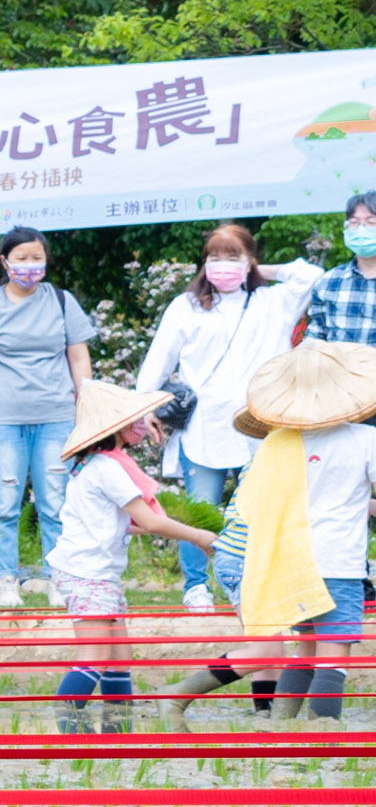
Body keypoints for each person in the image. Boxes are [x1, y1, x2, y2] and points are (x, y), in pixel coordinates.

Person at [135, 222, 321, 610]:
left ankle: (259, 581)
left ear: (250, 259)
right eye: (213, 258)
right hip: (204, 427)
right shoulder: (185, 306)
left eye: (232, 257)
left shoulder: (273, 301)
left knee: (263, 507)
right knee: (200, 508)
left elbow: (311, 275)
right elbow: (159, 359)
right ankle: (195, 587)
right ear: (203, 263)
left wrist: (256, 269)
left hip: (261, 424)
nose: (221, 266)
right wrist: (144, 407)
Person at [224, 344, 376, 724]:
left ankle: (279, 724)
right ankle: (323, 732)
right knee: (334, 651)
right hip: (339, 561)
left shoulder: (276, 444)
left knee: (305, 647)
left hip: (293, 562)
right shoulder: (364, 440)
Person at [0, 225, 99, 607]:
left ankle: (58, 576)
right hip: (1, 417)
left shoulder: (62, 301)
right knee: (3, 501)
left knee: (56, 500)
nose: (30, 266)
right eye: (21, 259)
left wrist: (86, 403)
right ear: (5, 262)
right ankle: (5, 578)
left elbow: (77, 354)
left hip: (56, 414)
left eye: (37, 258)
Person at [41, 380, 188, 736]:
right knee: (94, 657)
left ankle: (118, 733)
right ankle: (69, 731)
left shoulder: (93, 463)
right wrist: (199, 537)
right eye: (133, 418)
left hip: (95, 572)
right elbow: (151, 521)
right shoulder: (108, 467)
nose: (140, 423)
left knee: (118, 657)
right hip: (88, 574)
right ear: (114, 427)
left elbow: (122, 523)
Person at [301, 193, 376, 345]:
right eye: (354, 223)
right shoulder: (329, 281)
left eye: (371, 222)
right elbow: (316, 335)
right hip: (337, 368)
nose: (361, 229)